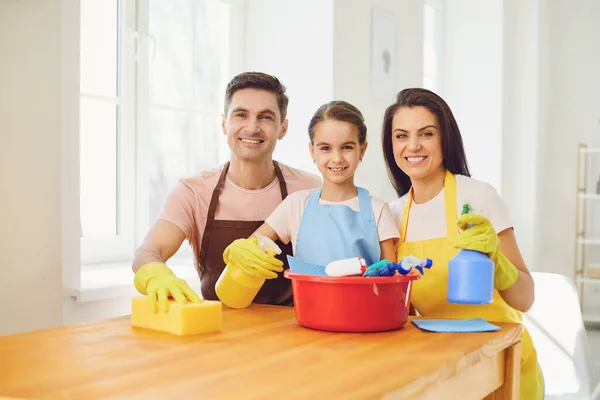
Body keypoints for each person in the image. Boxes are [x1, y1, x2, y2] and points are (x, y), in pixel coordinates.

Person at [382, 88, 543, 399]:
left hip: (501, 364)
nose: (412, 146)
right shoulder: (394, 214)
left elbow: (526, 299)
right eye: (401, 135)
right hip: (443, 367)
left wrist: (497, 261)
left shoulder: (478, 197)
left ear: (445, 139)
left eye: (426, 133)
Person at [132, 72, 322, 313]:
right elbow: (148, 251)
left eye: (265, 117)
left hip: (293, 333)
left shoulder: (309, 190)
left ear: (282, 128)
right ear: (224, 123)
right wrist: (157, 276)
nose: (252, 128)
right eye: (241, 115)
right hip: (217, 331)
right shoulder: (193, 192)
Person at [225, 101, 399, 273]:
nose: (337, 158)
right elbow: (251, 247)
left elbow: (392, 278)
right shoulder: (296, 205)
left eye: (346, 147)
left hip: (364, 302)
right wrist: (237, 250)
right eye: (325, 148)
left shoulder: (378, 210)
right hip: (307, 301)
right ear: (312, 151)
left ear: (362, 150)